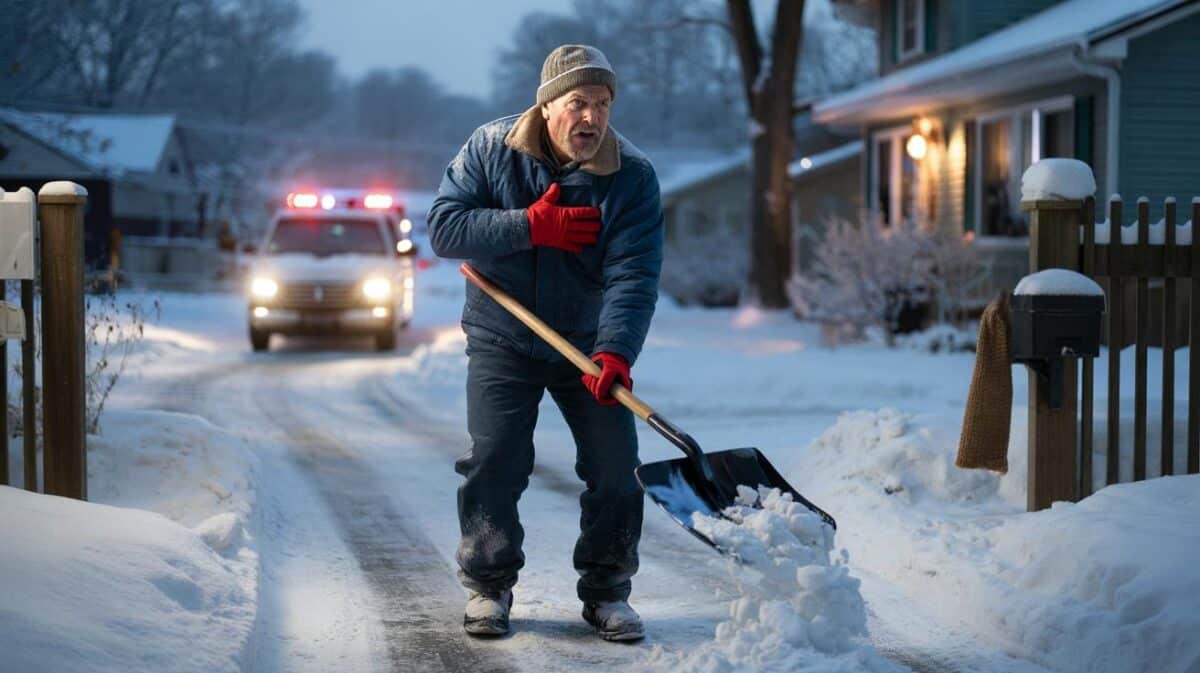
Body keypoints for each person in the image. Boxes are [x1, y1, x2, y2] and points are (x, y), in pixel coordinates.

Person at [427, 44, 663, 642]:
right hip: (503, 333)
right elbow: (445, 229)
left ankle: (608, 591)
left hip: (584, 343)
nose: (592, 118)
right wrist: (528, 226)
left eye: (603, 104)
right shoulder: (490, 148)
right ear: (548, 104)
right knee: (497, 459)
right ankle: (490, 584)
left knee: (615, 467)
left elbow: (634, 273)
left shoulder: (630, 177)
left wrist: (615, 352)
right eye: (579, 102)